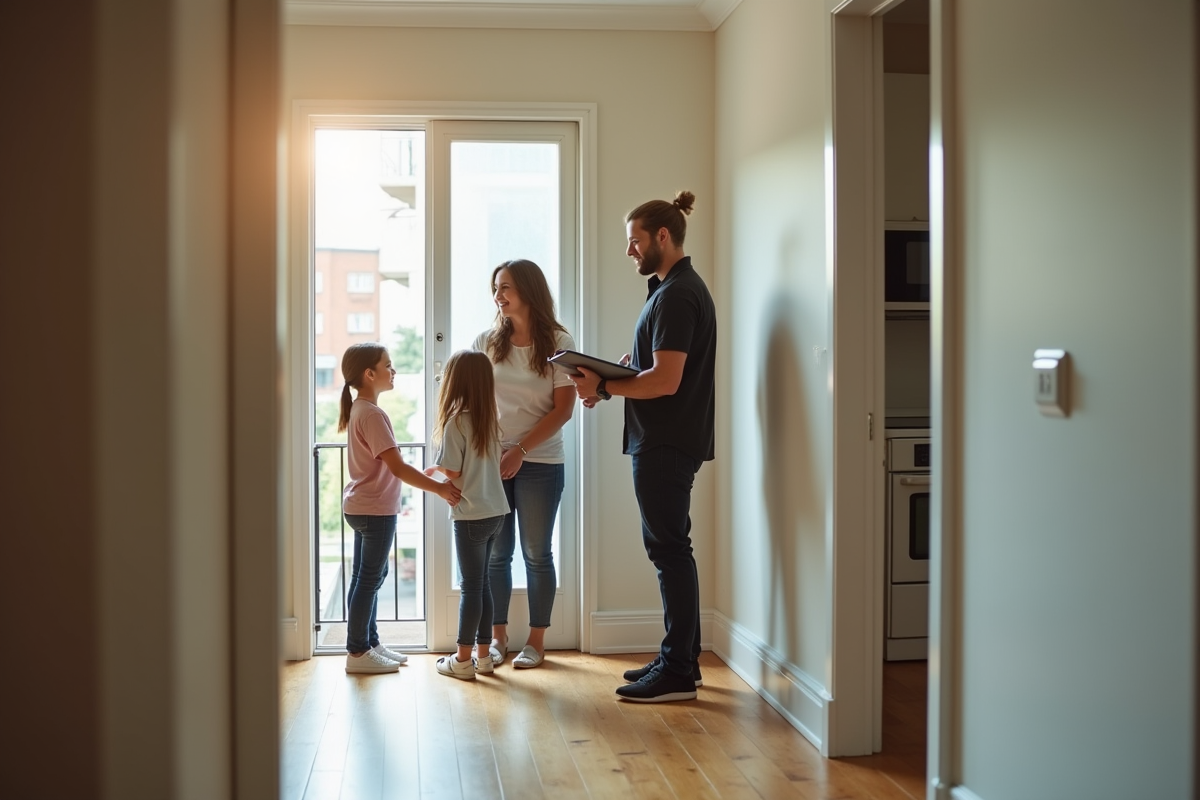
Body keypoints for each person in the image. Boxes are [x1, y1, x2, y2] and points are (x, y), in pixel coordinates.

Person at [570, 190, 716, 703]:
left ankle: (678, 671)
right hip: (667, 438)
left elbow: (666, 381)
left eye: (634, 240)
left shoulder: (676, 295)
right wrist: (615, 377)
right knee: (672, 548)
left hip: (666, 441)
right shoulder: (669, 291)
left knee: (669, 550)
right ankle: (683, 659)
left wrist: (606, 386)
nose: (629, 250)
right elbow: (657, 370)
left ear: (662, 236)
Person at [473, 259, 576, 669]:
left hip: (541, 462)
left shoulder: (559, 341)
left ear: (528, 291)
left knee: (536, 553)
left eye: (506, 288)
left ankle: (536, 642)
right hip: (492, 462)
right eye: (496, 288)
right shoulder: (486, 342)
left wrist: (520, 449)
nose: (498, 296)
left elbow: (563, 409)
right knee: (497, 555)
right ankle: (498, 639)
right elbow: (473, 400)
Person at [339, 342, 462, 674]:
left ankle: (369, 643)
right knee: (369, 580)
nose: (393, 371)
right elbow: (397, 467)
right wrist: (439, 488)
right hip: (375, 510)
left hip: (361, 506)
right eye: (388, 365)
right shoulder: (372, 414)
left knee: (366, 578)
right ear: (369, 374)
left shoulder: (361, 409)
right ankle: (358, 653)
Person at [425, 350, 512, 680]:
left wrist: (436, 470)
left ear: (454, 383)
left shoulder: (456, 422)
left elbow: (455, 471)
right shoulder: (491, 421)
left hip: (471, 514)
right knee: (483, 585)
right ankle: (483, 657)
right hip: (496, 512)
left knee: (471, 588)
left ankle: (462, 660)